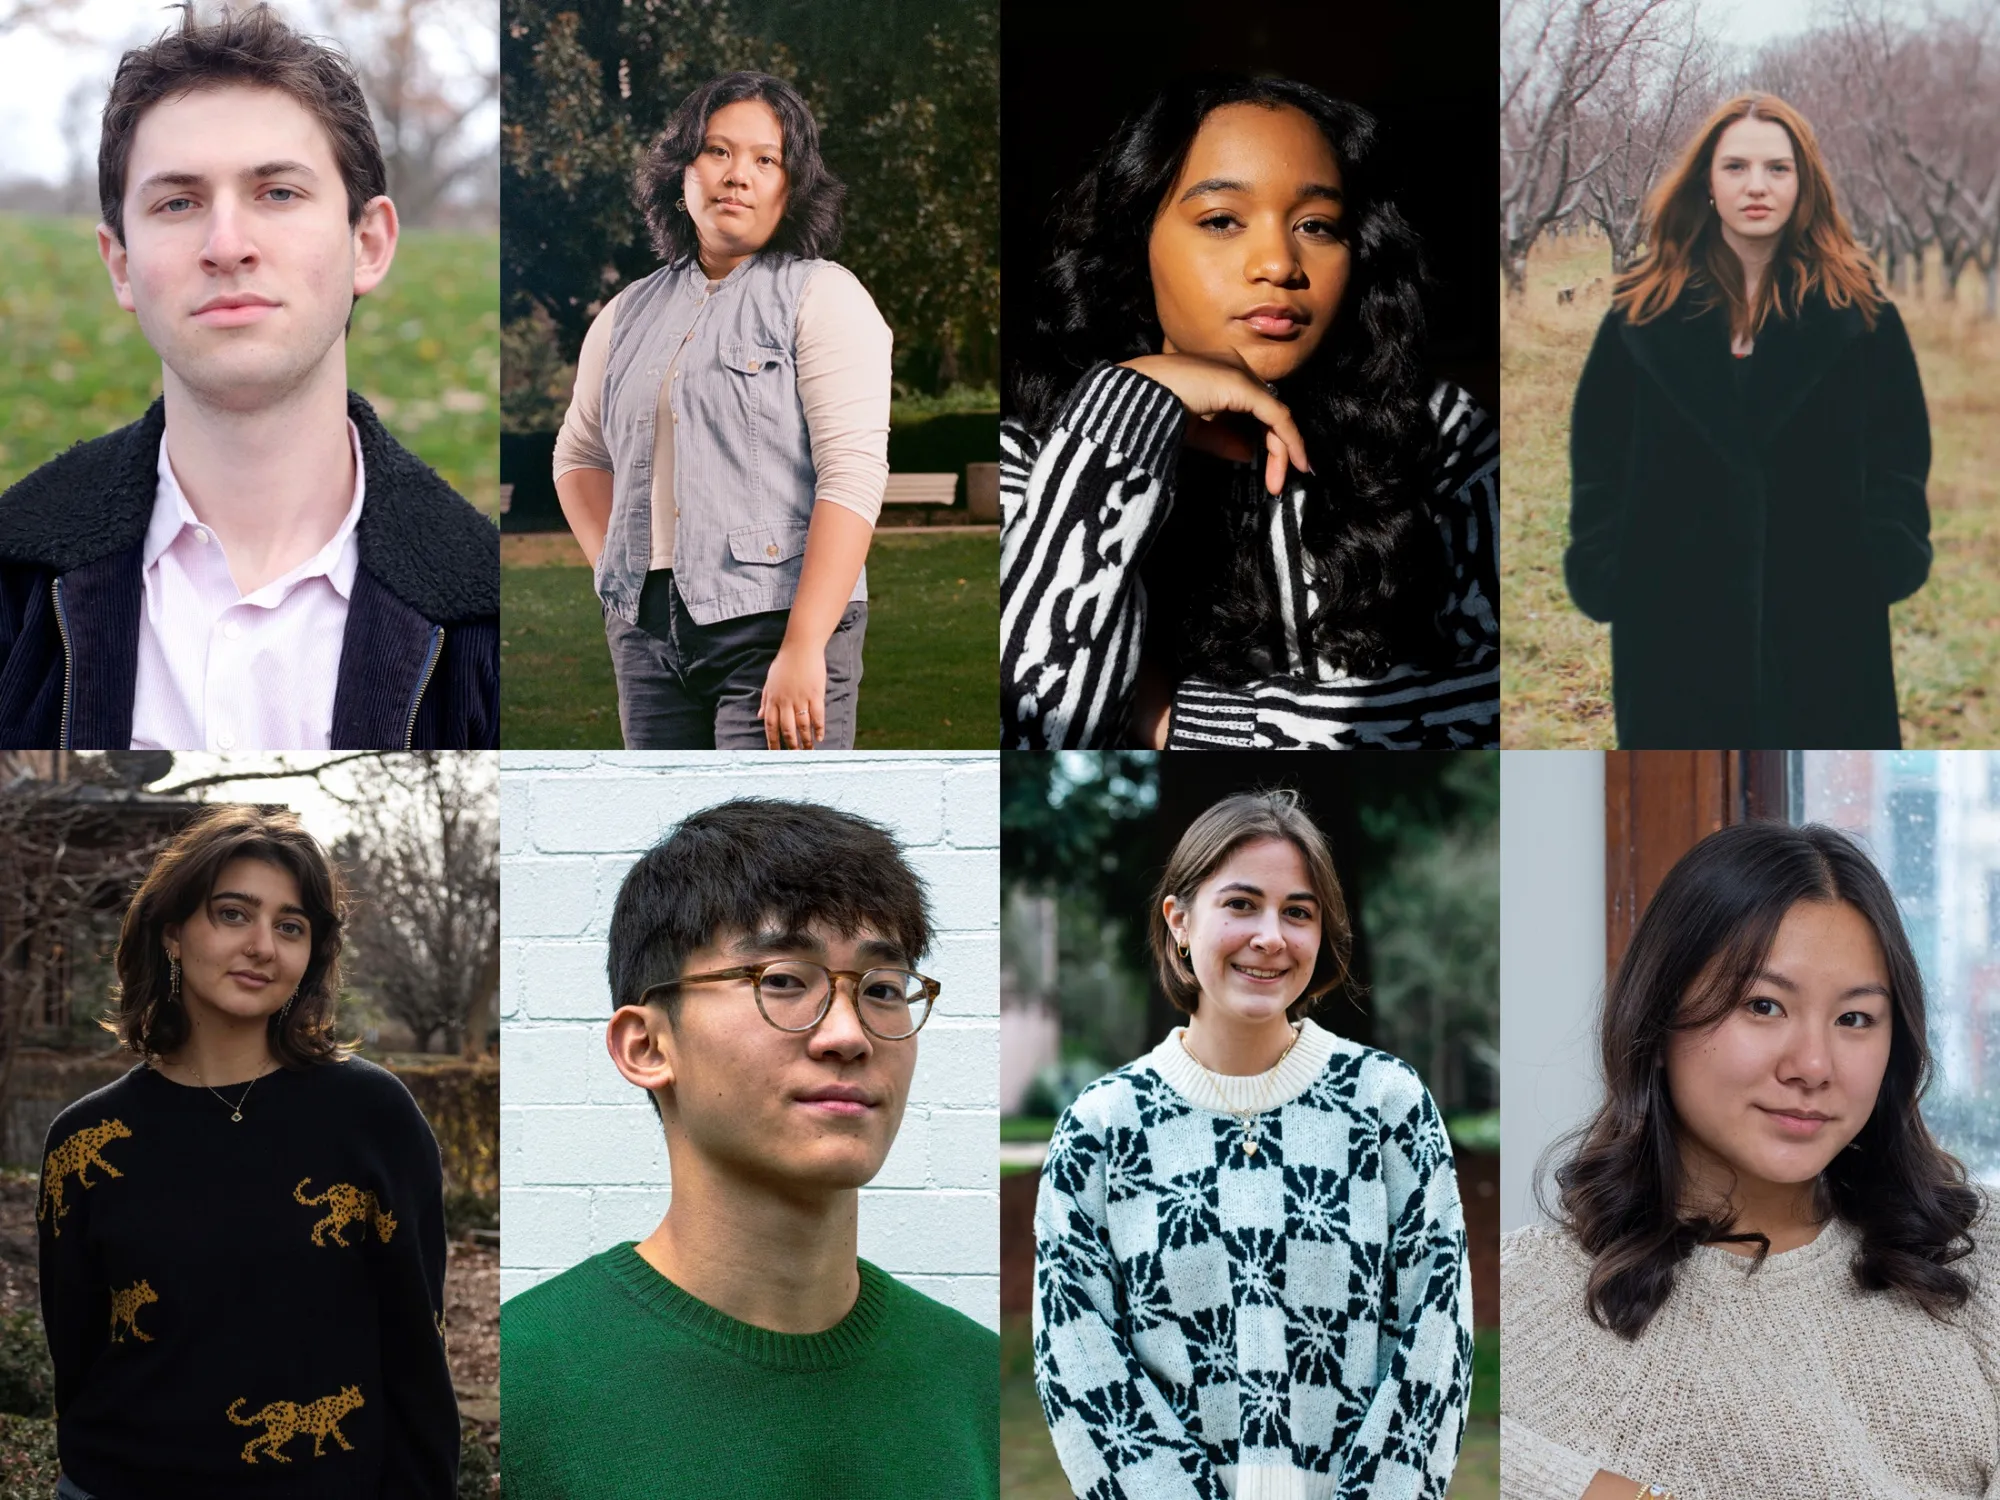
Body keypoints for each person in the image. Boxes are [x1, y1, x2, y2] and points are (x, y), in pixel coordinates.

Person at [0, 4, 499, 752]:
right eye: (178, 202)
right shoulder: (14, 577)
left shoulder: (484, 611)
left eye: (278, 193)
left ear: (368, 243)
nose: (226, 245)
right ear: (121, 264)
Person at [500, 799, 999, 1498]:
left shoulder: (979, 1382)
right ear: (646, 1045)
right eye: (785, 982)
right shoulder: (524, 1382)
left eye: (883, 989)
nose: (848, 1036)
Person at [1501, 821, 1996, 1500]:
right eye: (1764, 1006)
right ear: (1659, 1015)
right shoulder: (1528, 1295)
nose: (1813, 1066)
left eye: (1855, 1019)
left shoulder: (1977, 1257)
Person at [1002, 74, 1498, 750]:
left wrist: (1189, 724)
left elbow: (1508, 712)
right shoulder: (1033, 456)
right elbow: (1036, 724)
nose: (1278, 263)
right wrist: (1130, 408)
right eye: (1221, 221)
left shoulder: (1440, 434)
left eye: (1317, 226)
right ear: (1135, 241)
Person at [1034, 789, 1473, 1496]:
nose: (1272, 935)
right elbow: (1077, 1354)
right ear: (1178, 920)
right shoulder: (1102, 1126)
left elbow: (1436, 1336)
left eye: (1298, 912)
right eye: (1241, 904)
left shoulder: (1387, 1104)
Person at [38, 804, 458, 1499]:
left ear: (310, 954)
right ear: (172, 932)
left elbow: (417, 1345)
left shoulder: (372, 1116)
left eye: (290, 926)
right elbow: (75, 1352)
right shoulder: (83, 1140)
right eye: (233, 914)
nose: (264, 945)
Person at [1566, 94, 1930, 749]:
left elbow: (1901, 452)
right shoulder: (1641, 315)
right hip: (1671, 625)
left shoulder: (1860, 315)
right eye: (1735, 167)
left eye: (1777, 168)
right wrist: (1606, 565)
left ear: (1804, 184)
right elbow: (1598, 457)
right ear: (1707, 181)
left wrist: (1886, 551)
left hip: (1827, 624)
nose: (1756, 186)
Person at [552, 72, 892, 751]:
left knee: (774, 836)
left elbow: (852, 476)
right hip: (649, 638)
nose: (737, 175)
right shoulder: (624, 315)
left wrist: (803, 647)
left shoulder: (822, 296)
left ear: (791, 185)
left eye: (765, 159)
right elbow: (579, 455)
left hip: (775, 627)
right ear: (683, 171)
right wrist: (614, 571)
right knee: (675, 835)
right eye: (717, 151)